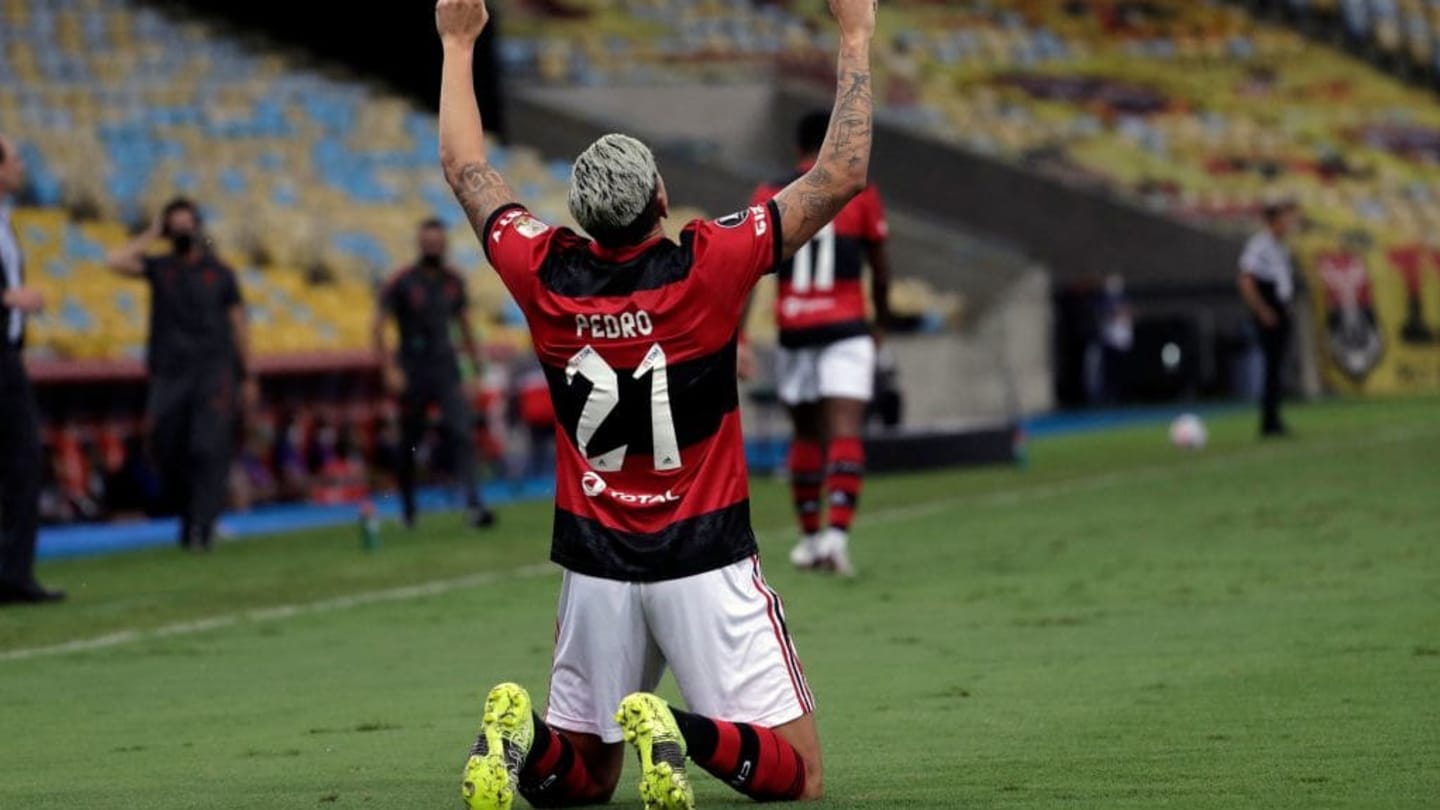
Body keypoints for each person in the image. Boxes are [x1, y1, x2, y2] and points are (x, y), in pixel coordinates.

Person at [435, 0, 874, 806]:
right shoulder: (708, 268)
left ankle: (521, 737)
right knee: (802, 777)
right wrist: (854, 34)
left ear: (580, 215)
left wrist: (457, 44)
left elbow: (467, 169)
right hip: (702, 556)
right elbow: (839, 174)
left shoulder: (542, 272)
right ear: (661, 199)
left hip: (595, 563)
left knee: (586, 776)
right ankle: (675, 727)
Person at [749, 110, 891, 577]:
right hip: (847, 324)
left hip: (796, 327)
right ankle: (836, 538)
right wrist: (881, 319)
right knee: (846, 430)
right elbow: (880, 263)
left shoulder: (770, 193)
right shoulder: (861, 192)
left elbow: (748, 266)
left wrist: (738, 335)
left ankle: (810, 540)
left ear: (796, 149)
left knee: (806, 434)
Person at [106, 198, 257, 550]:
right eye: (174, 226)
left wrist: (248, 373)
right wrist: (152, 232)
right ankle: (190, 515)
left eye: (186, 224)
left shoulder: (220, 273)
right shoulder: (161, 268)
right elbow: (113, 261)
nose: (182, 232)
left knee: (208, 446)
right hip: (170, 372)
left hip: (213, 371)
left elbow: (239, 323)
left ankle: (204, 525)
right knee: (167, 445)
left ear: (198, 227)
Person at [373, 218, 496, 529]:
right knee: (409, 441)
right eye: (427, 241)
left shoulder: (453, 281)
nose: (432, 246)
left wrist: (474, 370)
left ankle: (474, 506)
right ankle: (408, 510)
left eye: (437, 242)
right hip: (412, 371)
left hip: (446, 370)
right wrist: (389, 368)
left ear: (444, 245)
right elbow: (377, 326)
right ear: (420, 244)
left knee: (462, 433)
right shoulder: (402, 282)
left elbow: (465, 326)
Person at [0, 133, 64, 605]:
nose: (21, 166)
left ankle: (13, 572)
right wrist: (9, 298)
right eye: (14, 158)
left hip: (8, 354)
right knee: (21, 461)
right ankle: (13, 574)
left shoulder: (6, 220)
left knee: (20, 464)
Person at [1238, 200, 1299, 438]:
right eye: (1285, 219)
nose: (1289, 224)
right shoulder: (1259, 246)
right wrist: (1263, 310)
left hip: (1280, 308)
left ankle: (1274, 418)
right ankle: (1268, 421)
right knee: (1271, 366)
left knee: (1277, 366)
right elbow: (1246, 279)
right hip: (1269, 308)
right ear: (1273, 220)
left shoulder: (1280, 247)